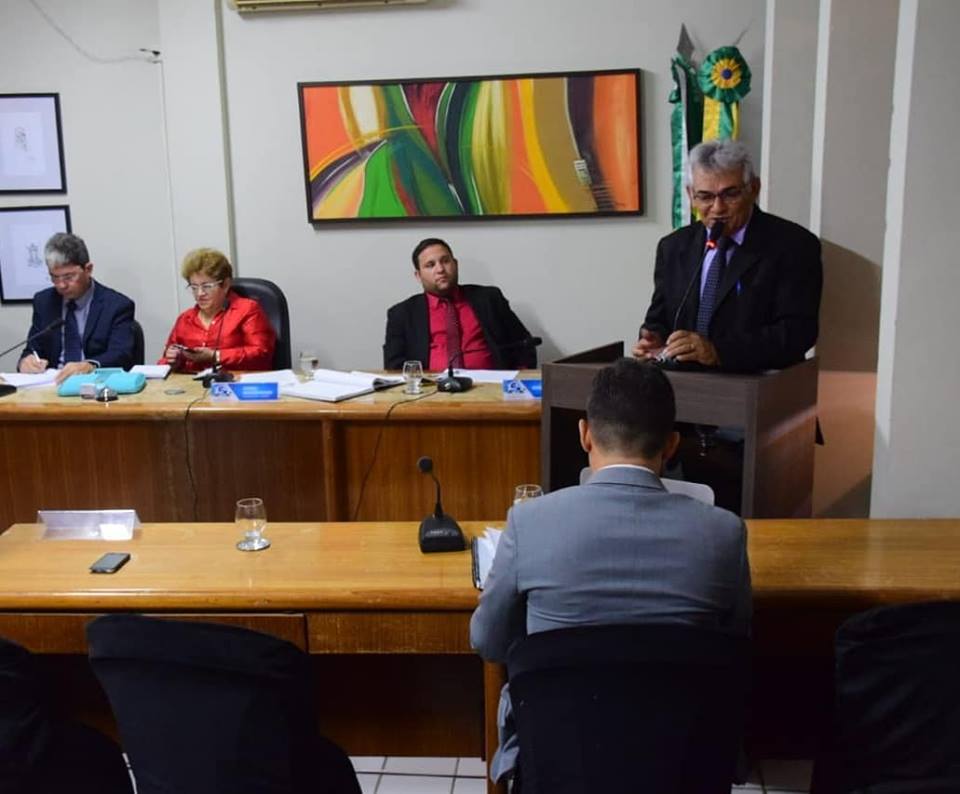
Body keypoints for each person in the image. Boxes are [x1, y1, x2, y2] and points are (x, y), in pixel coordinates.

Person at [470, 358, 751, 783]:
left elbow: (488, 641)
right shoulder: (724, 533)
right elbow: (735, 643)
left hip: (562, 765)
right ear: (672, 445)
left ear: (585, 434)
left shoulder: (529, 523)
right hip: (679, 767)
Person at [633, 139, 822, 372]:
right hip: (682, 389)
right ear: (690, 195)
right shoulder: (673, 247)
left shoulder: (793, 245)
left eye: (730, 194)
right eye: (705, 196)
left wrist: (718, 352)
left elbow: (798, 332)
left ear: (753, 188)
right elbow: (658, 320)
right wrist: (652, 340)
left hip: (758, 388)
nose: (718, 208)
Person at [383, 238, 537, 371]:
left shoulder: (489, 299)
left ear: (455, 264)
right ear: (418, 275)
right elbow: (394, 366)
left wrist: (518, 382)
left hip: (491, 389)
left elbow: (524, 344)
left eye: (445, 261)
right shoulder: (402, 313)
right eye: (430, 265)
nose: (440, 269)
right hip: (430, 393)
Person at [17, 233, 136, 384]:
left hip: (95, 385)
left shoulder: (116, 305)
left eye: (68, 277)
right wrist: (26, 362)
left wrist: (90, 365)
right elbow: (33, 348)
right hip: (51, 386)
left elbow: (122, 354)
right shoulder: (44, 302)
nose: (61, 285)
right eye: (54, 277)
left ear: (88, 269)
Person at [160, 248, 275, 373]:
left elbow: (262, 354)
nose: (200, 294)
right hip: (191, 388)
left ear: (225, 285)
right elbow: (164, 362)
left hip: (236, 386)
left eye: (206, 286)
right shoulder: (185, 319)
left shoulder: (247, 310)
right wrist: (172, 361)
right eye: (194, 287)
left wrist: (216, 356)